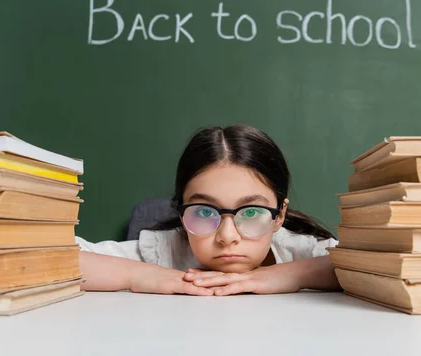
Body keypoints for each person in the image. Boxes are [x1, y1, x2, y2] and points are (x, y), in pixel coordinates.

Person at [78, 124, 340, 296]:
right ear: (181, 213)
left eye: (250, 212)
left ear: (279, 216)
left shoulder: (301, 252)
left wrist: (297, 274)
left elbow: (378, 267)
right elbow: (52, 259)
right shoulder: (162, 251)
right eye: (204, 212)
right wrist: (135, 274)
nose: (227, 236)